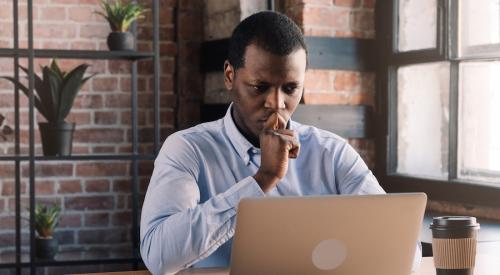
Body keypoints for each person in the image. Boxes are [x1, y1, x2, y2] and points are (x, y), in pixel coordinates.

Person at [140, 11, 421, 275]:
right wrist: (263, 179)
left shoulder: (332, 153)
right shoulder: (187, 149)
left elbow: (407, 249)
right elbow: (158, 256)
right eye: (260, 87)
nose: (277, 104)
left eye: (290, 89)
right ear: (230, 76)